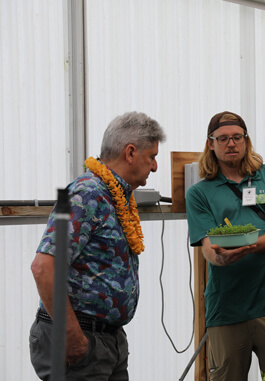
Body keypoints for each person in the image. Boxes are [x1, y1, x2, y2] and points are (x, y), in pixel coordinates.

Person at [29, 112, 166, 380]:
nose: (155, 166)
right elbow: (43, 267)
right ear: (130, 153)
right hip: (79, 339)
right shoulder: (84, 193)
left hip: (107, 338)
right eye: (152, 156)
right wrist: (74, 337)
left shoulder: (119, 196)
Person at [185, 111, 265, 381]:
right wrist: (223, 256)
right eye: (222, 138)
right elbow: (210, 250)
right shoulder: (200, 193)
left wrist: (249, 246)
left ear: (246, 141)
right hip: (227, 308)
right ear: (210, 144)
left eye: (237, 137)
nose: (231, 144)